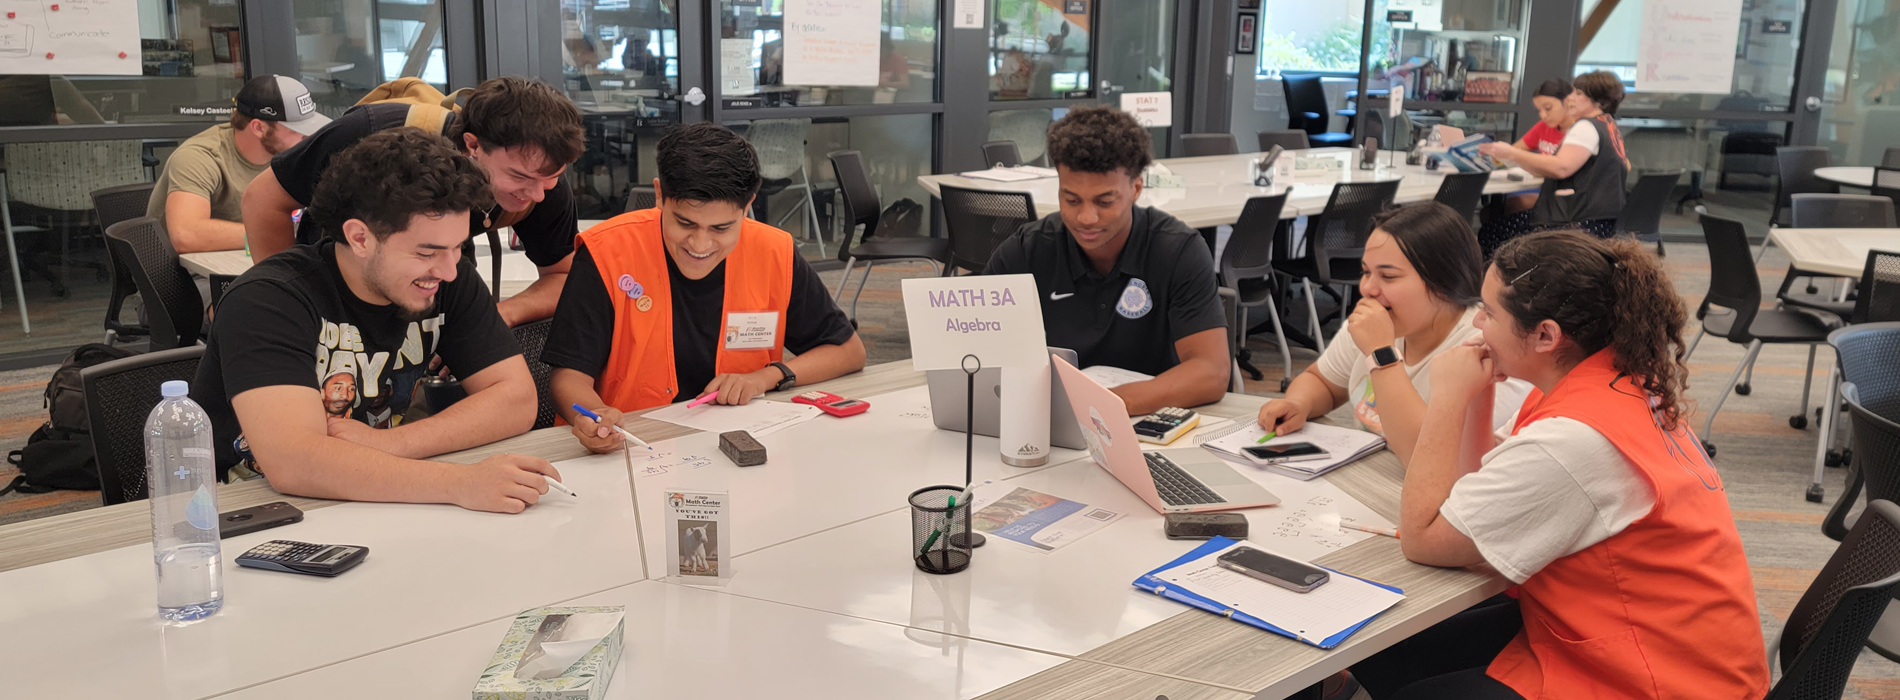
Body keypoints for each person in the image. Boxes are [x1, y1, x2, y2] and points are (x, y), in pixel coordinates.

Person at [1352, 230, 1768, 699]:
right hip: (1651, 645)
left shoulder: (1573, 440)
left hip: (1656, 679)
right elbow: (1481, 486)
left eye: (1488, 313)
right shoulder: (1607, 381)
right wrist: (1476, 396)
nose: (1477, 328)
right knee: (1389, 648)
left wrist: (1447, 398)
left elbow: (1424, 540)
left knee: (1411, 681)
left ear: (1546, 335)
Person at [192, 129, 557, 514]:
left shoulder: (448, 278)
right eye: (426, 252)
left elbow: (516, 399)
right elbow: (294, 461)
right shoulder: (267, 300)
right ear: (360, 239)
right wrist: (460, 482)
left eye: (457, 247)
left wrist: (391, 444)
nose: (449, 270)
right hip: (240, 514)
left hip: (374, 497)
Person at [545, 123, 866, 453]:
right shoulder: (607, 252)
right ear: (659, 195)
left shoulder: (773, 252)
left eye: (722, 228)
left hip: (738, 445)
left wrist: (765, 377)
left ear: (747, 205)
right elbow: (567, 376)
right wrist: (594, 416)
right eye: (684, 223)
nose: (700, 244)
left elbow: (848, 351)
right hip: (630, 449)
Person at [243, 76, 586, 326]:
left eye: (552, 178)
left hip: (425, 297)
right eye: (520, 178)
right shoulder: (368, 134)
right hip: (334, 290)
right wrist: (287, 302)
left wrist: (506, 313)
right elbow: (262, 201)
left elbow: (563, 276)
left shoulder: (540, 177)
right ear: (473, 145)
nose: (539, 194)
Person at [982, 105, 1230, 416]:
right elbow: (977, 351)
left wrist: (1100, 405)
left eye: (1105, 201)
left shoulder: (1178, 251)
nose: (1086, 218)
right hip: (1045, 422)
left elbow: (1212, 372)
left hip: (1145, 423)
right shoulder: (1025, 250)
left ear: (1136, 188)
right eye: (1071, 200)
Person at [1255, 202, 1529, 465]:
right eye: (1366, 272)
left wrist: (1381, 354)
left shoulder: (1485, 347)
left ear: (1444, 282)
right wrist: (1298, 403)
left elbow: (1431, 461)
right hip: (1367, 482)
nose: (1368, 289)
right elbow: (1323, 381)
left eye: (1388, 277)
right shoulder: (1381, 322)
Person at [147, 75, 327, 255]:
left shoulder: (290, 153)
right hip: (186, 274)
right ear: (258, 128)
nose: (308, 138)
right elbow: (185, 235)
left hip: (246, 261)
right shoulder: (199, 157)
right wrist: (278, 233)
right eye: (299, 131)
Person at [1476, 71, 1629, 255]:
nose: (1571, 98)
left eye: (1579, 93)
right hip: (1600, 219)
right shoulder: (1608, 125)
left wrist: (1512, 154)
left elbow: (1561, 167)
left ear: (1598, 101)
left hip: (1575, 220)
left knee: (1493, 231)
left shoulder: (1586, 127)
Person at [1498, 78, 1574, 213]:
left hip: (1561, 195)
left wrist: (1515, 155)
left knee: (1507, 206)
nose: (1543, 115)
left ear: (1567, 101)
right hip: (1541, 186)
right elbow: (1515, 150)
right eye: (1539, 110)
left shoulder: (1579, 133)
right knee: (1491, 210)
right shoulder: (1544, 127)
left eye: (1548, 108)